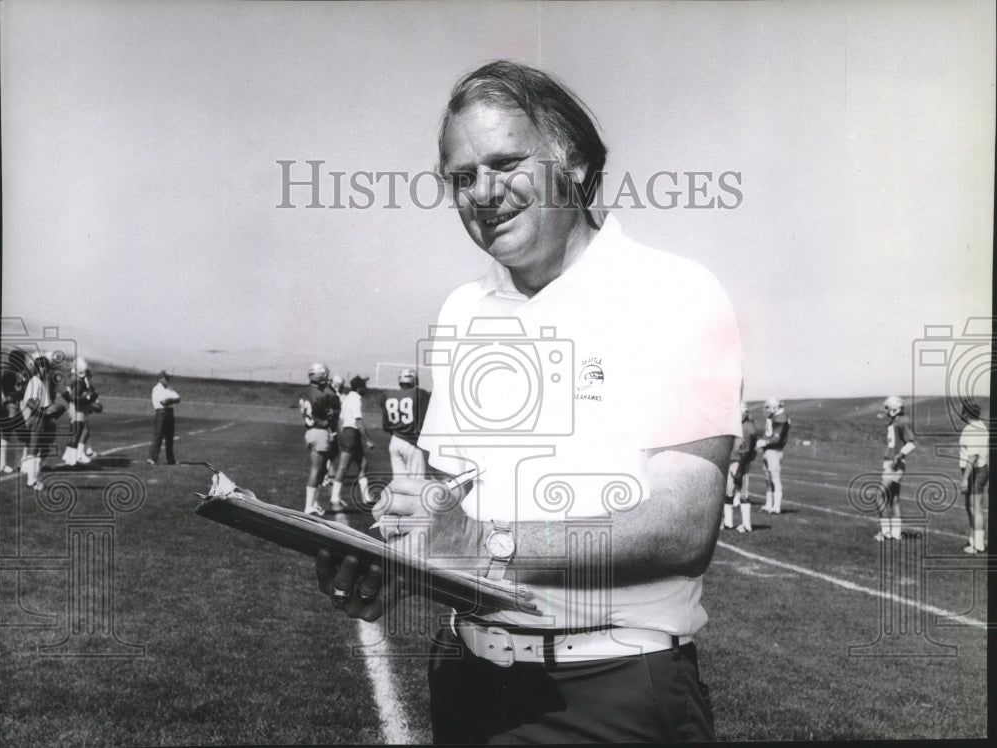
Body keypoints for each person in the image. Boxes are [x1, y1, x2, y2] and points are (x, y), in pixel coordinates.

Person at [315, 61, 742, 743]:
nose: (483, 192)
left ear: (571, 160)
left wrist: (488, 546)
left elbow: (683, 526)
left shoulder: (677, 294)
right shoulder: (460, 311)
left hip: (610, 694)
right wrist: (393, 559)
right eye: (461, 177)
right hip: (465, 681)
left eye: (506, 162)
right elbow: (447, 514)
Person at [327, 375, 376, 510]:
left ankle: (366, 497)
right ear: (360, 387)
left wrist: (340, 436)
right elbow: (358, 421)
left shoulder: (348, 398)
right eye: (364, 386)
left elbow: (341, 420)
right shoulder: (356, 400)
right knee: (343, 467)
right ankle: (335, 497)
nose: (366, 388)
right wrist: (368, 440)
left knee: (363, 464)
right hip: (352, 433)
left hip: (346, 433)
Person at [299, 363, 341, 516]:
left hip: (310, 432)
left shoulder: (306, 392)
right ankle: (308, 506)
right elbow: (330, 416)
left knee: (321, 470)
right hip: (319, 432)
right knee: (317, 470)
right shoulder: (322, 395)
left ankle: (313, 503)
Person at [20, 355, 67, 490]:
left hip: (41, 418)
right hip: (37, 418)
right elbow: (29, 401)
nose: (45, 370)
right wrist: (43, 412)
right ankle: (32, 481)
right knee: (34, 449)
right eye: (42, 368)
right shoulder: (35, 381)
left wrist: (53, 410)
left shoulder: (40, 381)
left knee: (42, 448)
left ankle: (33, 478)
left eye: (46, 368)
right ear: (37, 368)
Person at [875, 395, 915, 541]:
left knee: (880, 496)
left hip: (894, 464)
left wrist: (899, 455)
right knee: (894, 499)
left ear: (894, 408)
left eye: (887, 408)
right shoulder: (896, 421)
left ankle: (885, 532)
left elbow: (911, 442)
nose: (886, 411)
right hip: (891, 462)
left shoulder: (902, 421)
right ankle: (896, 533)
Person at [380, 368, 431, 480]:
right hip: (411, 443)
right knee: (417, 483)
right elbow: (424, 421)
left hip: (395, 441)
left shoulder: (388, 395)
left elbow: (386, 425)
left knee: (399, 482)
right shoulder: (419, 393)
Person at [957, 400, 988, 554]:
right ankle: (974, 539)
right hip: (977, 471)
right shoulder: (980, 426)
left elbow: (972, 457)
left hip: (975, 472)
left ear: (965, 413)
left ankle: (978, 544)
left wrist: (964, 479)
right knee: (972, 507)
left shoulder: (972, 429)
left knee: (975, 508)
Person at [723, 402, 758, 533]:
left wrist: (739, 470)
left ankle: (746, 524)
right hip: (734, 460)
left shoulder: (746, 428)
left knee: (743, 492)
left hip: (739, 462)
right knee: (729, 491)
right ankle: (728, 522)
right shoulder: (741, 426)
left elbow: (746, 452)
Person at [61, 358, 102, 466]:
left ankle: (69, 454)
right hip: (78, 407)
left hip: (77, 405)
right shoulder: (77, 380)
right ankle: (76, 455)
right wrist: (90, 398)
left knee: (78, 430)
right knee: (81, 430)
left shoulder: (75, 378)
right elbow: (73, 396)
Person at [757, 397, 790, 514]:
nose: (767, 409)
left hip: (774, 451)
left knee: (775, 478)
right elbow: (768, 433)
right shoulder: (773, 417)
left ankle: (776, 506)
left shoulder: (781, 418)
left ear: (775, 407)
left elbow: (776, 439)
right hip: (768, 450)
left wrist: (764, 442)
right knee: (767, 478)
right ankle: (768, 504)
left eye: (768, 407)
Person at [0, 349, 29, 474]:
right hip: (11, 405)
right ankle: (6, 463)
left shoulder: (18, 371)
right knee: (8, 435)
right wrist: (4, 401)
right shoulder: (9, 371)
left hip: (16, 404)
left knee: (11, 435)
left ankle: (17, 463)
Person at [147, 371, 180, 465]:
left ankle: (170, 459)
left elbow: (178, 399)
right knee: (158, 436)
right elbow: (163, 402)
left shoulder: (169, 388)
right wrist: (172, 400)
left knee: (170, 437)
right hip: (161, 412)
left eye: (168, 378)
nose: (168, 380)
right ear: (161, 378)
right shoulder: (157, 389)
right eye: (166, 378)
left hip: (169, 412)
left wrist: (170, 400)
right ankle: (152, 458)